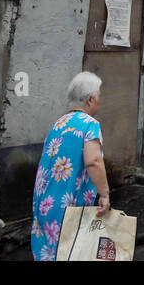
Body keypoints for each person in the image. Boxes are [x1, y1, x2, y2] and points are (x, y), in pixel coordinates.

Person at [31, 71, 111, 261]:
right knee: (70, 252)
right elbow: (93, 161)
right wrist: (105, 193)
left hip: (45, 204)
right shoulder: (90, 124)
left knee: (49, 253)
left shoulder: (58, 124)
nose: (100, 101)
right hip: (70, 207)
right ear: (90, 100)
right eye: (99, 96)